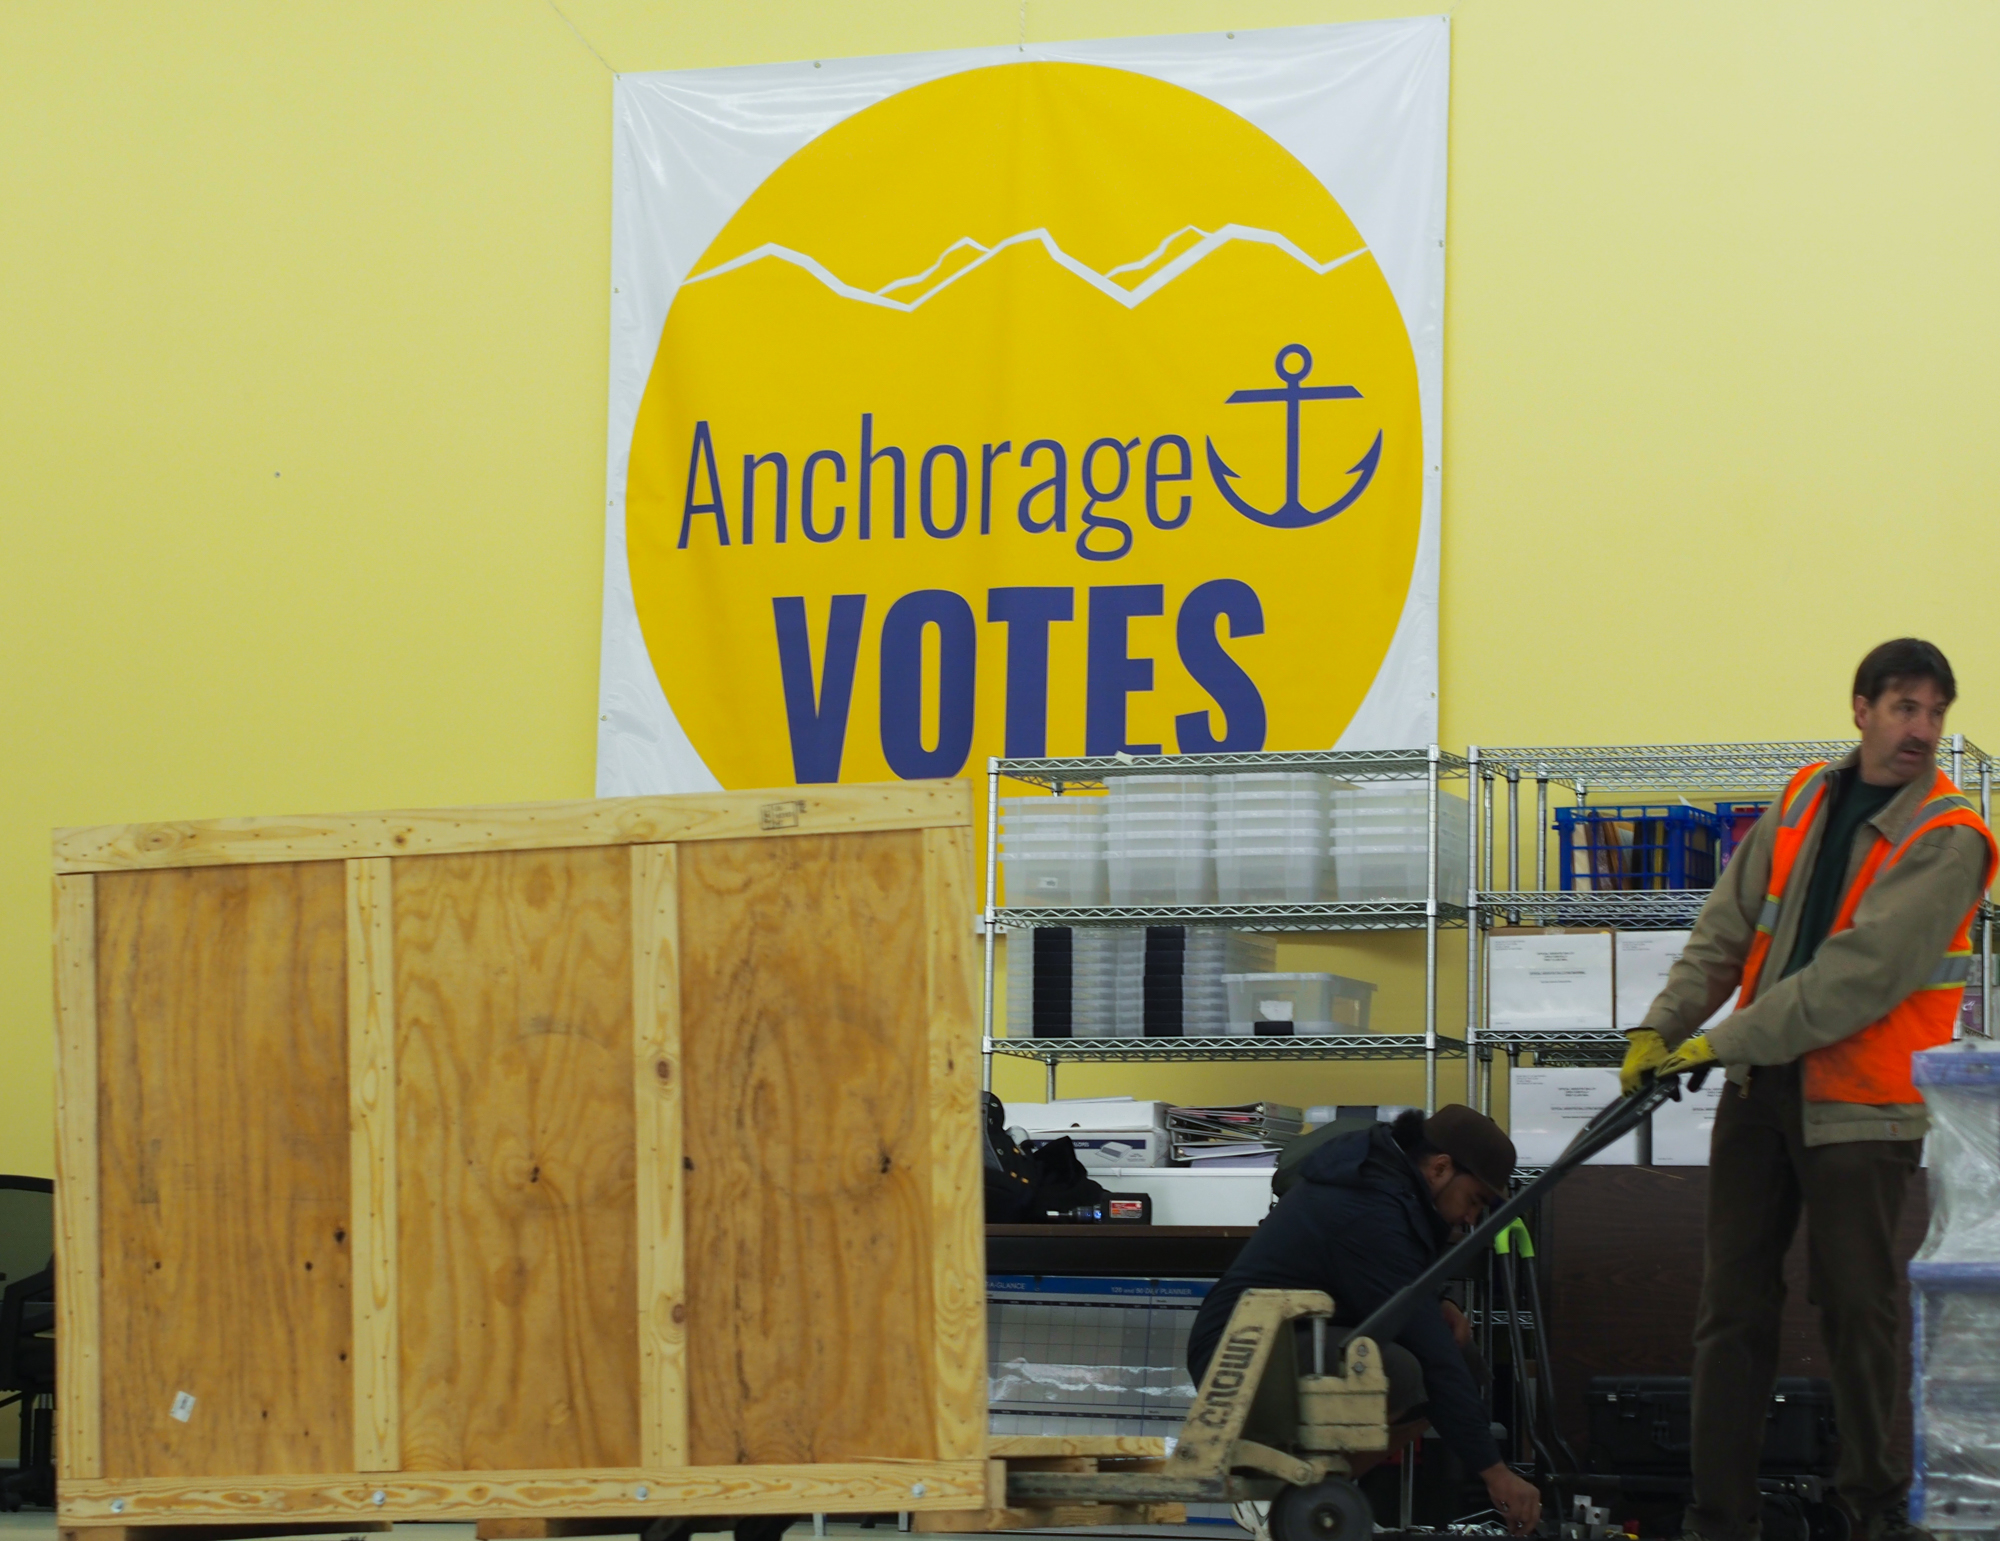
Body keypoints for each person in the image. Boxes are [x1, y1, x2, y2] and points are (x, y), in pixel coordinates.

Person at [1623, 638, 1998, 1541]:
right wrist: (1662, 1024)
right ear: (1861, 708)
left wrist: (1721, 1036)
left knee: (1856, 1311)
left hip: (1862, 1109)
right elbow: (1725, 925)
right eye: (1904, 707)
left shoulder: (1950, 836)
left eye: (1935, 711)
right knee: (1732, 1311)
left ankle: (1872, 1512)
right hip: (1759, 1089)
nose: (1922, 729)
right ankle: (1720, 1519)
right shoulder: (1803, 798)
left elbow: (1855, 977)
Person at [1186, 1104, 1545, 1536]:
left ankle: (1316, 1498)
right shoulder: (1367, 1203)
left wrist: (1439, 1301)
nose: (1471, 1219)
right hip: (1237, 1355)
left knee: (1460, 1361)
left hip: (1289, 1336)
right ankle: (1278, 1499)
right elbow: (1426, 1346)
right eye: (1474, 1200)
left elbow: (1393, 1276)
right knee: (1404, 1370)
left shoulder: (1390, 1183)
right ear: (1440, 1168)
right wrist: (1496, 1473)